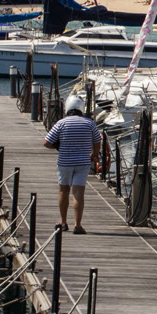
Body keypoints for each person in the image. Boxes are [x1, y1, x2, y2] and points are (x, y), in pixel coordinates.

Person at [44, 95, 99, 233]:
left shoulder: (61, 123)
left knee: (64, 190)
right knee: (78, 192)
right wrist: (94, 154)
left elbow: (47, 142)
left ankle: (63, 222)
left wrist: (58, 147)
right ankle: (77, 225)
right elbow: (97, 140)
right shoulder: (89, 123)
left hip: (65, 162)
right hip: (83, 162)